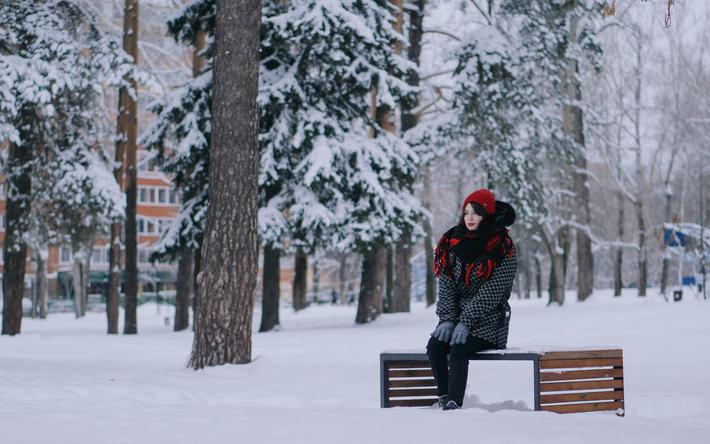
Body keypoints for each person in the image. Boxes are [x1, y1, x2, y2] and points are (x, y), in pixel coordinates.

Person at [426, 188, 518, 410]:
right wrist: (448, 319)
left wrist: (466, 321)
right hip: (457, 319)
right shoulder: (451, 242)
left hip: (489, 321)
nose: (469, 217)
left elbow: (492, 292)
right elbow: (446, 284)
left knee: (458, 348)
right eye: (466, 212)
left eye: (476, 213)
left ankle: (454, 403)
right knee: (435, 346)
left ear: (486, 215)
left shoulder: (503, 247)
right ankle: (443, 396)